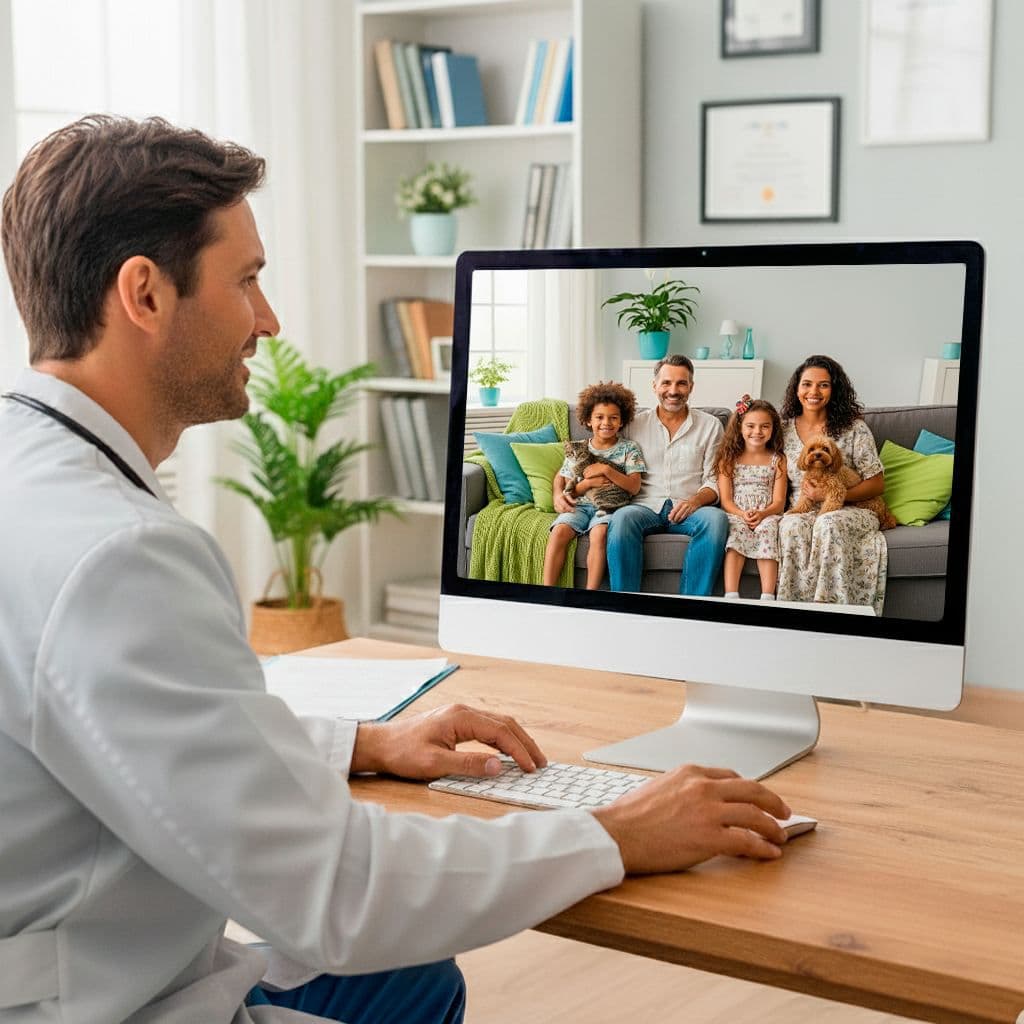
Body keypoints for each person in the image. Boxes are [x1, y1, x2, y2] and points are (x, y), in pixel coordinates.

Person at [0, 116, 793, 1024]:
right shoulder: (119, 557)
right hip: (99, 1003)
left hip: (90, 948)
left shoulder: (32, 470)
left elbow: (157, 735)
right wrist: (611, 833)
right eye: (248, 280)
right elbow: (338, 893)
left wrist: (367, 745)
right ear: (143, 294)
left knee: (418, 982)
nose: (270, 319)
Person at [576, 355, 729, 596]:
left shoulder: (710, 426)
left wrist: (695, 501)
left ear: (691, 387)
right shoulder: (632, 423)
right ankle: (626, 605)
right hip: (643, 506)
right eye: (666, 383)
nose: (673, 391)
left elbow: (714, 478)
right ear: (654, 386)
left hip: (691, 507)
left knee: (717, 520)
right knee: (622, 519)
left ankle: (693, 606)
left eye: (681, 383)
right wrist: (560, 489)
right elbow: (592, 454)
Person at [776, 355, 888, 614]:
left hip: (853, 507)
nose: (813, 391)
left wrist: (833, 496)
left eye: (823, 385)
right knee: (790, 525)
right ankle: (789, 613)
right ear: (796, 388)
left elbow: (877, 484)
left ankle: (831, 612)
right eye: (806, 384)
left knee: (828, 523)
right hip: (803, 508)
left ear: (834, 390)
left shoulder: (854, 428)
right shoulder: (781, 429)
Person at [543, 381, 645, 590]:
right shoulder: (579, 448)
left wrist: (606, 470)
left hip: (610, 507)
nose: (606, 423)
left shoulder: (629, 448)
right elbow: (561, 476)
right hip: (579, 504)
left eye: (613, 418)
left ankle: (591, 594)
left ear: (621, 421)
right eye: (599, 417)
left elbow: (634, 487)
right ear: (588, 420)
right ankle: (546, 592)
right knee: (559, 531)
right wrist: (557, 496)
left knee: (599, 534)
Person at [716, 395, 788, 600]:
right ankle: (731, 594)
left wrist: (763, 513)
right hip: (736, 512)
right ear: (740, 427)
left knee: (768, 530)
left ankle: (768, 595)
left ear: (773, 428)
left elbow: (779, 502)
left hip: (768, 514)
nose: (757, 432)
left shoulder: (778, 459)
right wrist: (742, 514)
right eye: (750, 426)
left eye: (765, 426)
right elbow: (726, 501)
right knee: (736, 532)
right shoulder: (728, 459)